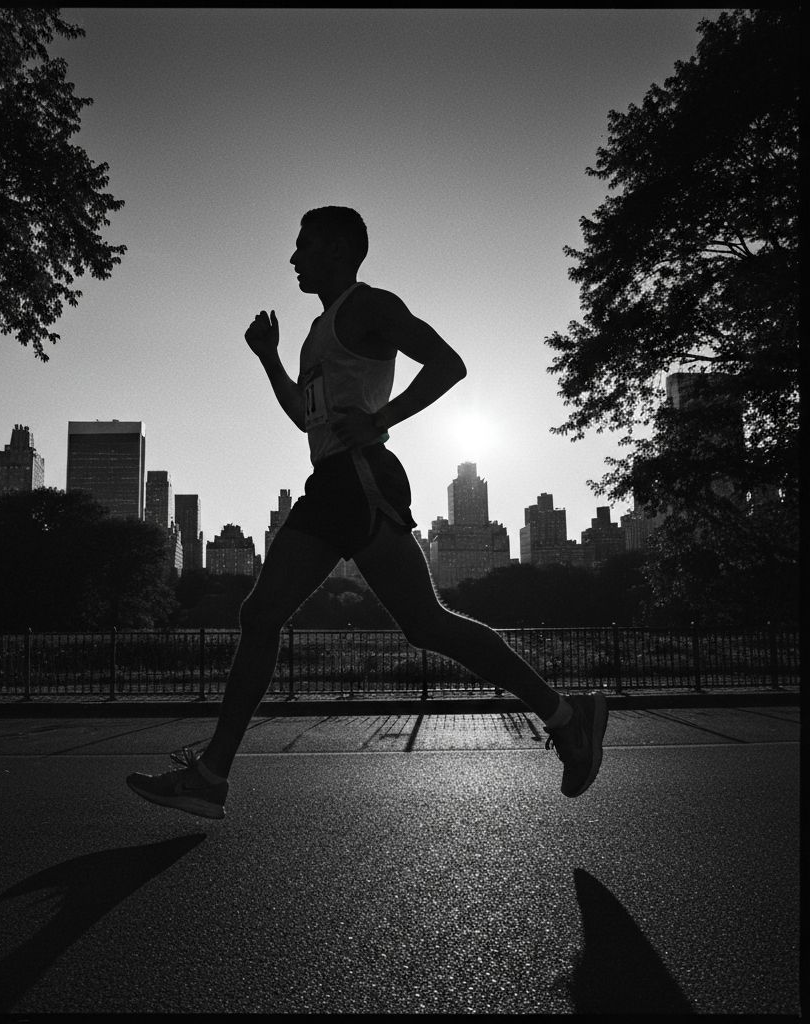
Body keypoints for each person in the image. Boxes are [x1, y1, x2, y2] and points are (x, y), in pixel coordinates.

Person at [127, 206, 608, 819]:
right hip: (330, 480)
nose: (294, 258)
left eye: (303, 246)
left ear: (337, 249)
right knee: (267, 614)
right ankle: (212, 774)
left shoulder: (370, 306)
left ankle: (568, 717)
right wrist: (269, 358)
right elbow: (308, 417)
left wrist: (379, 420)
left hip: (359, 479)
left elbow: (449, 364)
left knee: (419, 623)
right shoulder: (317, 331)